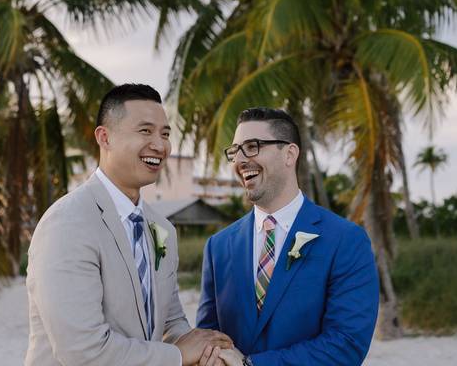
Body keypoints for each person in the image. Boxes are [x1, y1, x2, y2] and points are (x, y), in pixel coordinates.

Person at [25, 83, 232, 366]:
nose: (159, 145)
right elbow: (83, 350)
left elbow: (171, 322)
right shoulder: (67, 223)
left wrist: (205, 351)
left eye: (165, 134)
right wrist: (180, 355)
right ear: (104, 137)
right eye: (145, 131)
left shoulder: (163, 230)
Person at [196, 107, 379, 366]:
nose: (240, 160)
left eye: (252, 146)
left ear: (290, 154)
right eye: (235, 151)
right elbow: (209, 336)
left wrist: (251, 364)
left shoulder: (346, 240)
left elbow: (346, 344)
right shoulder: (218, 246)